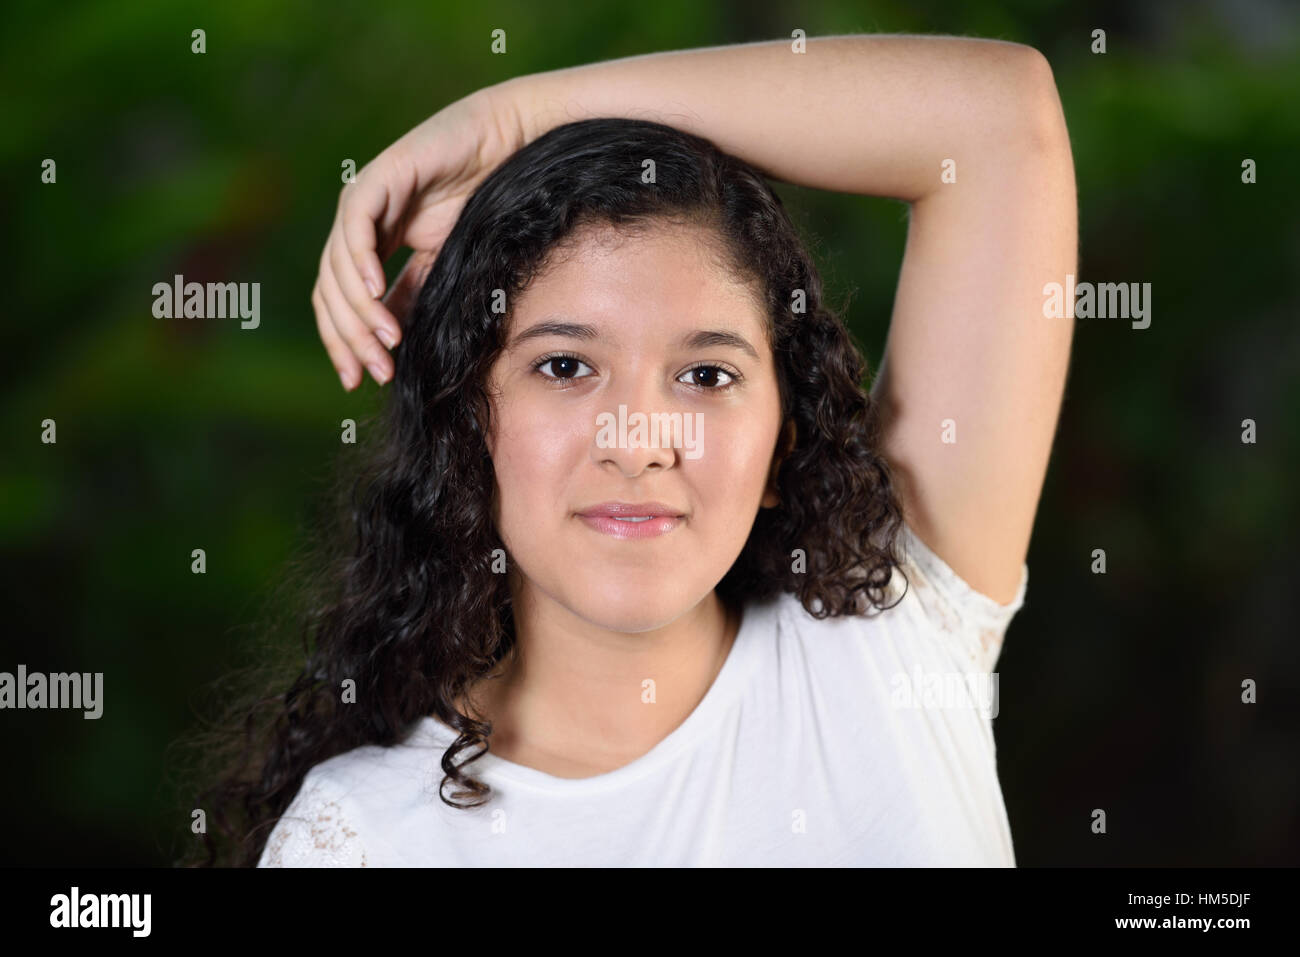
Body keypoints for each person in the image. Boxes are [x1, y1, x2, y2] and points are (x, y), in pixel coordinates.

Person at [199, 32, 1075, 867]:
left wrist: (518, 120)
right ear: (467, 425)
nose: (637, 444)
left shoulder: (895, 628)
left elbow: (999, 118)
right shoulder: (363, 839)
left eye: (705, 375)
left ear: (784, 441)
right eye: (567, 364)